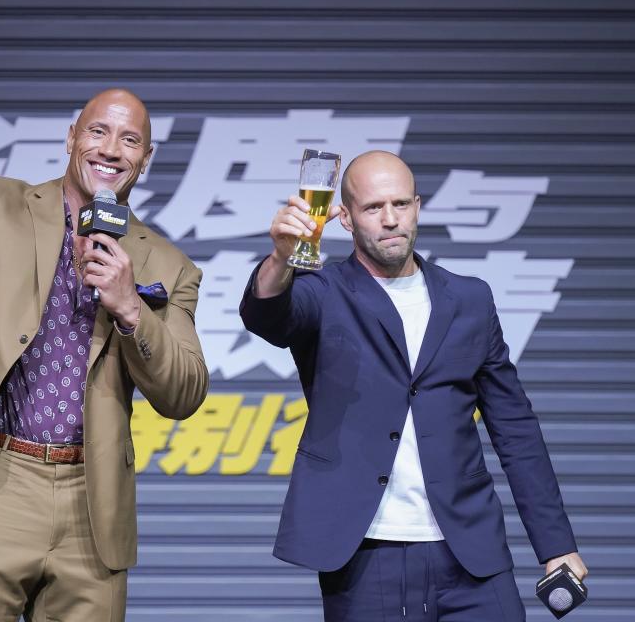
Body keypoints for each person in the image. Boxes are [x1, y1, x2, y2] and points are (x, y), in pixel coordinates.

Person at [0, 16, 208, 622]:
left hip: (94, 502)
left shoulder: (167, 264)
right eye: (99, 132)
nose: (111, 150)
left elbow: (184, 391)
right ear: (71, 136)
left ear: (147, 158)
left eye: (130, 140)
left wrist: (132, 307)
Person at [239, 151, 586, 621]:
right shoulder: (323, 292)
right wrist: (281, 256)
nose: (390, 220)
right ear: (344, 217)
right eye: (373, 208)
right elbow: (267, 315)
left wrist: (556, 544)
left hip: (471, 552)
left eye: (400, 204)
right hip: (366, 555)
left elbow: (515, 428)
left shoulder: (469, 299)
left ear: (418, 207)